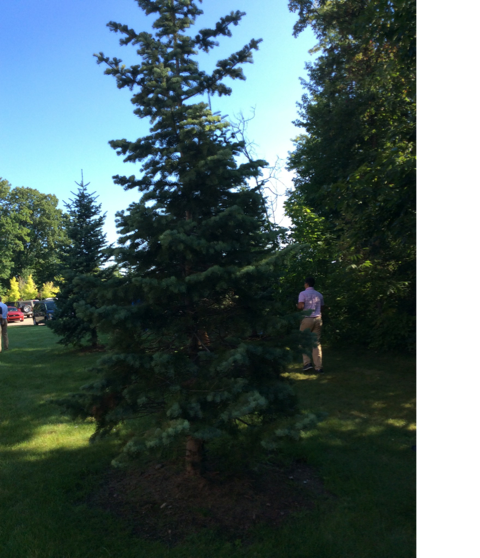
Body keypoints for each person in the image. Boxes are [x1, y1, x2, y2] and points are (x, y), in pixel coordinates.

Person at [297, 277, 325, 373]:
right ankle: (318, 367)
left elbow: (301, 306)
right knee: (316, 342)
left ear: (306, 284)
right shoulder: (319, 294)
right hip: (318, 319)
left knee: (303, 341)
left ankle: (307, 363)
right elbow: (322, 308)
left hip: (307, 318)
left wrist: (297, 306)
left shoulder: (303, 293)